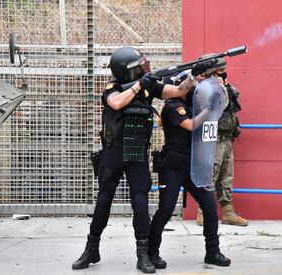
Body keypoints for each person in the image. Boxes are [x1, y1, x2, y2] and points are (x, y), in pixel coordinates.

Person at [71, 46, 211, 274]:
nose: (144, 68)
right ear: (127, 71)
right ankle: (91, 248)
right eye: (139, 66)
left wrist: (194, 75)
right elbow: (116, 103)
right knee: (103, 201)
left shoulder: (150, 87)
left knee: (140, 203)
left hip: (137, 154)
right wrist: (140, 85)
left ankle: (143, 254)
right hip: (113, 152)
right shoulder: (113, 87)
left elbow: (177, 91)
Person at [148, 79, 231, 269]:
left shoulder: (193, 104)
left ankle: (213, 252)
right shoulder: (172, 107)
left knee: (210, 207)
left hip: (195, 166)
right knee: (166, 208)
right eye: (190, 87)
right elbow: (191, 125)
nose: (193, 90)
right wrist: (208, 109)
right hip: (172, 168)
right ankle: (151, 252)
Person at [196, 55, 248, 226]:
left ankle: (228, 212)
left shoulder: (223, 86)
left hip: (226, 138)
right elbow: (220, 106)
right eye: (220, 72)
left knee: (226, 177)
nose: (224, 75)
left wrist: (224, 86)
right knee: (210, 175)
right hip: (212, 139)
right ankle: (202, 212)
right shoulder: (204, 89)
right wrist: (217, 86)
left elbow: (235, 98)